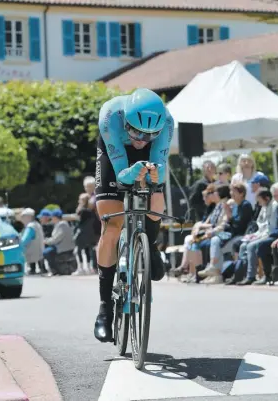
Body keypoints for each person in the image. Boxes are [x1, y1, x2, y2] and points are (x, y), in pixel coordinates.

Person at [93, 88, 174, 342]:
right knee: (113, 224)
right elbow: (120, 175)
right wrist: (129, 173)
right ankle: (105, 307)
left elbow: (159, 168)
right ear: (126, 121)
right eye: (137, 132)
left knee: (156, 194)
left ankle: (151, 244)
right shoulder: (110, 116)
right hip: (114, 151)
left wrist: (154, 176)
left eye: (150, 134)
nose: (141, 139)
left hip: (147, 158)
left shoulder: (167, 123)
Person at [19, 208, 44, 275]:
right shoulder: (37, 224)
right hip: (39, 249)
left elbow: (25, 240)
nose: (22, 219)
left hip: (32, 251)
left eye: (23, 217)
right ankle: (39, 269)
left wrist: (18, 244)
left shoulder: (30, 226)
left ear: (29, 217)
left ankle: (32, 269)